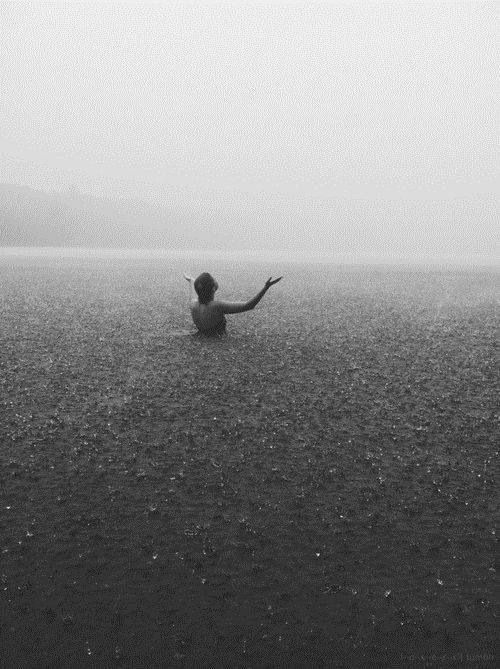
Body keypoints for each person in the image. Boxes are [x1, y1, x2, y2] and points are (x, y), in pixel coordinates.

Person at [184, 272, 282, 335]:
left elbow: (194, 293)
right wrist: (266, 287)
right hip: (218, 340)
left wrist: (191, 280)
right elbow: (249, 305)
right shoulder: (217, 306)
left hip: (200, 335)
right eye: (214, 279)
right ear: (213, 288)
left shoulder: (193, 305)